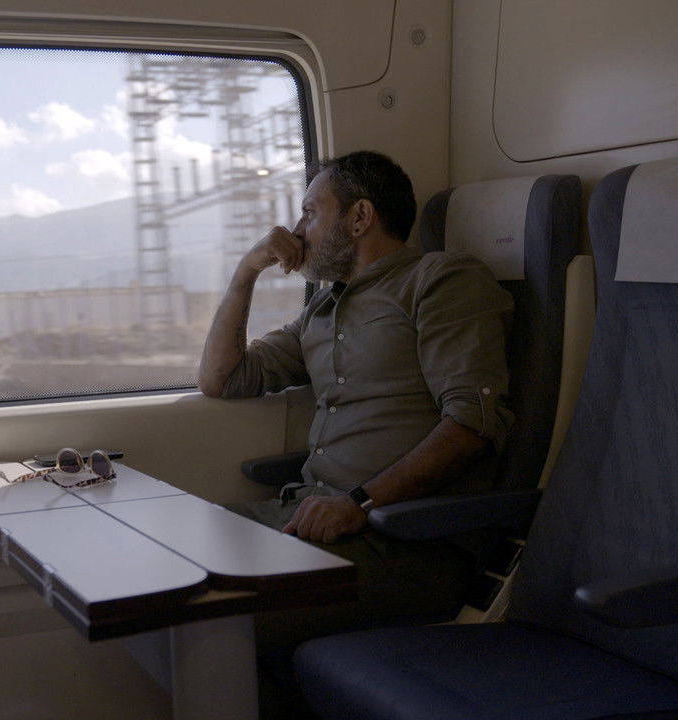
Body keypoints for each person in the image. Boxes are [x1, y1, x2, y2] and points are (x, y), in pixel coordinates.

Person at [198, 150, 515, 657]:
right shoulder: (322, 310)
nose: (297, 231)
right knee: (180, 548)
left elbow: (471, 425)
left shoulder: (440, 280)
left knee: (207, 615)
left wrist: (359, 503)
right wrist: (245, 272)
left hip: (401, 540)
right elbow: (223, 378)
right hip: (309, 514)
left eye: (310, 212)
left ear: (360, 217)